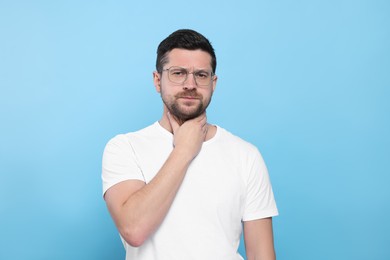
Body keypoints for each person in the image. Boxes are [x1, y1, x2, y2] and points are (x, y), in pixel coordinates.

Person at [102, 29, 278, 260]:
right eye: (178, 73)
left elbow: (261, 255)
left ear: (213, 83)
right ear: (157, 80)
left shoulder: (246, 155)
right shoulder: (125, 148)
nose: (190, 84)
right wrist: (184, 150)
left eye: (201, 75)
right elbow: (134, 229)